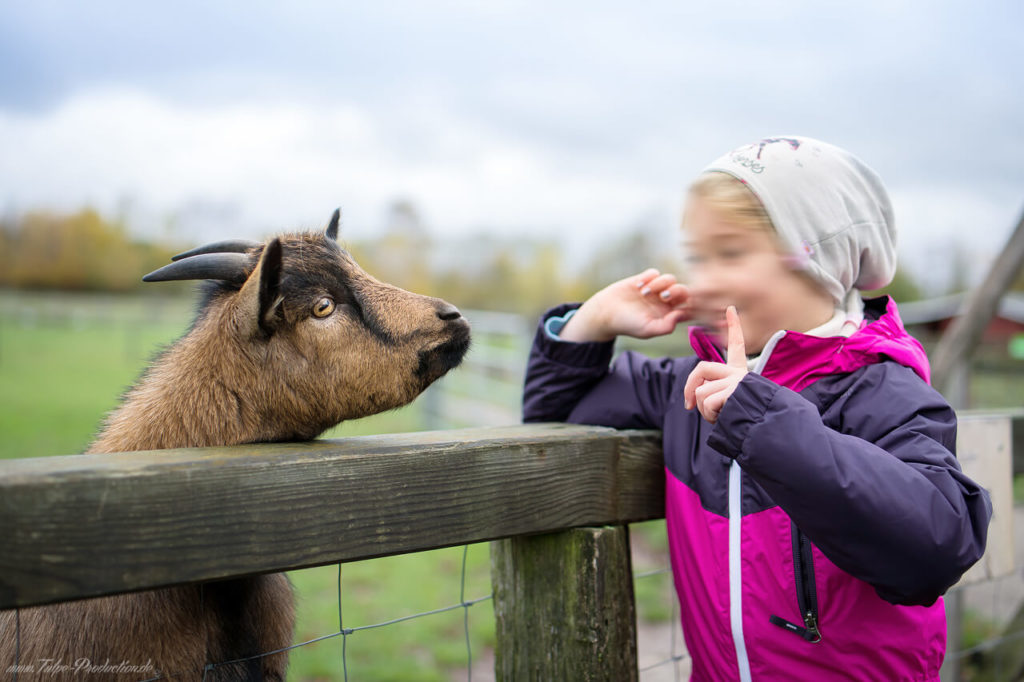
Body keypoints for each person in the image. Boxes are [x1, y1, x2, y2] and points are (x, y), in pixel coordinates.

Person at [522, 136, 992, 681]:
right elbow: (556, 415)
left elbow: (939, 544)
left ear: (817, 260)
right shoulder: (690, 386)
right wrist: (593, 321)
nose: (707, 278)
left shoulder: (880, 388)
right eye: (697, 257)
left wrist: (760, 419)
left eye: (732, 253)